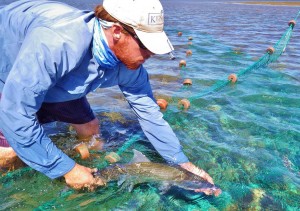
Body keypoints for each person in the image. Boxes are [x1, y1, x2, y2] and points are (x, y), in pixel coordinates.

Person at [0, 0, 214, 191]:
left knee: (91, 131)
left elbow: (150, 115)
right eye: (146, 45)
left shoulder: (130, 68)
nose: (152, 53)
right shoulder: (57, 43)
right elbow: (15, 114)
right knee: (10, 153)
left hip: (58, 78)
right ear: (117, 31)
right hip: (9, 71)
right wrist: (66, 169)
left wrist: (181, 163)